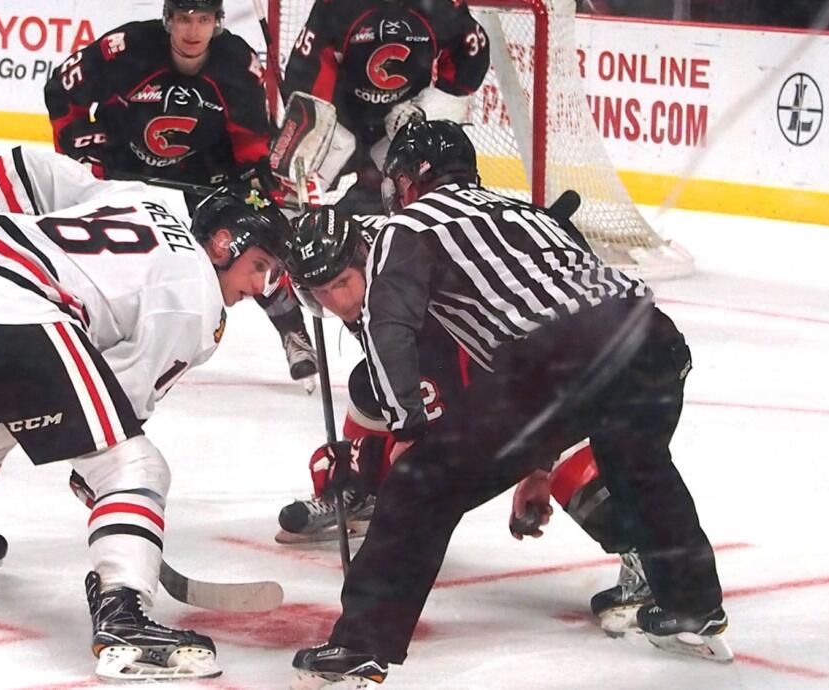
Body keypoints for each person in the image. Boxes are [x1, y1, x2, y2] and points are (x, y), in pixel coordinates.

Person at [290, 120, 729, 688]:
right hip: (651, 337)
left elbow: (388, 320)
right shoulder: (525, 211)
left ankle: (360, 648)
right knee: (640, 466)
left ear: (402, 182)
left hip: (556, 355)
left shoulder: (411, 225)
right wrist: (540, 457)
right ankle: (693, 608)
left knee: (421, 483)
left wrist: (409, 429)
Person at [0, 147, 290, 681]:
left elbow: (27, 168)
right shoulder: (197, 304)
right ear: (224, 242)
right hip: (21, 313)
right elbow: (122, 402)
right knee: (134, 467)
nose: (261, 288)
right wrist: (99, 472)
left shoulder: (142, 200)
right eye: (259, 266)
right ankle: (124, 615)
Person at [278, 208, 650, 635]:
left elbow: (483, 402)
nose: (337, 304)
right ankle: (365, 492)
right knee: (372, 384)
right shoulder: (379, 262)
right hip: (523, 366)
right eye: (319, 292)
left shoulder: (416, 289)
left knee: (560, 448)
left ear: (366, 259)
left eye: (342, 284)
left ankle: (649, 560)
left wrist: (537, 467)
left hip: (574, 367)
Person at [44, 0, 318, 388]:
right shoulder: (130, 48)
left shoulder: (235, 62)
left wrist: (258, 184)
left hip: (205, 163)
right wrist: (82, 146)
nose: (193, 32)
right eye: (184, 19)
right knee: (78, 228)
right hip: (120, 155)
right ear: (168, 20)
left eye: (204, 20)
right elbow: (60, 88)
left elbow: (251, 141)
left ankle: (292, 330)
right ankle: (67, 314)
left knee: (260, 227)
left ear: (217, 23)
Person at [278, 0, 490, 214]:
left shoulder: (443, 6)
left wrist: (424, 110)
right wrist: (314, 124)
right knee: (300, 177)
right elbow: (307, 73)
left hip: (399, 123)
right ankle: (289, 221)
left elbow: (468, 65)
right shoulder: (337, 6)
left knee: (410, 188)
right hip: (340, 119)